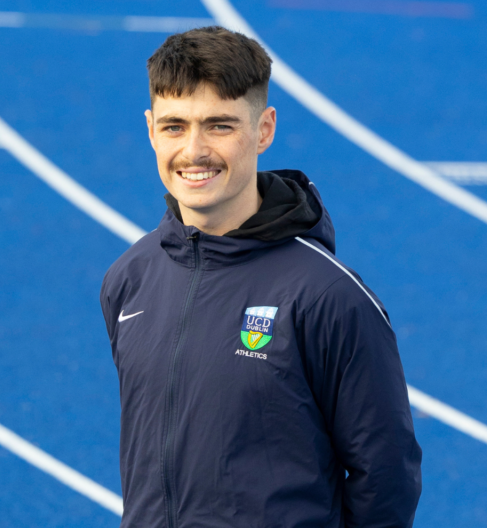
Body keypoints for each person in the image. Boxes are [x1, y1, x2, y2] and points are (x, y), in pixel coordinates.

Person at [99, 27, 422, 528]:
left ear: (265, 129)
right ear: (150, 129)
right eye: (174, 126)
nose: (194, 150)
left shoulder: (327, 297)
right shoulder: (130, 279)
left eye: (220, 126)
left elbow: (386, 477)